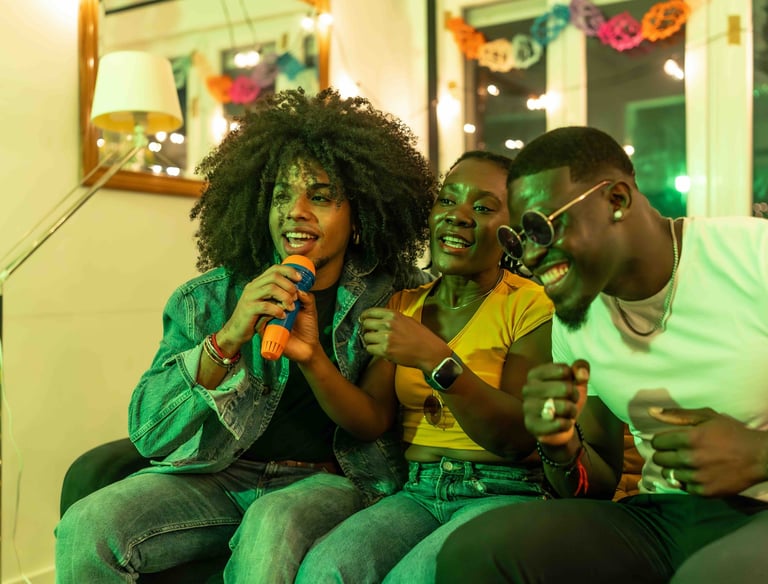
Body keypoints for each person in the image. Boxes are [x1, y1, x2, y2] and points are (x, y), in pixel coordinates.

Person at [54, 88, 438, 583]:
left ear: (359, 217)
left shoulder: (395, 294)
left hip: (328, 480)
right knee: (88, 527)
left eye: (319, 197)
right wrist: (228, 338)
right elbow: (149, 431)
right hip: (220, 472)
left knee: (271, 522)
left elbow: (378, 415)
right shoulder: (207, 299)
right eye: (281, 195)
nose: (295, 211)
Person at [435, 126, 768, 583]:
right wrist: (558, 443)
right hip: (662, 519)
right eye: (518, 239)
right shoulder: (576, 314)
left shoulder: (752, 254)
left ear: (616, 200)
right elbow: (598, 482)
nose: (530, 255)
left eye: (541, 227)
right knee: (477, 552)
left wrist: (759, 454)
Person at [288, 150, 554, 583]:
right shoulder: (404, 305)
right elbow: (371, 419)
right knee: (324, 570)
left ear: (513, 232)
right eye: (447, 201)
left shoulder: (532, 305)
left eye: (483, 208)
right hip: (419, 489)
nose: (458, 216)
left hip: (505, 491)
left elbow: (518, 439)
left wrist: (435, 358)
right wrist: (311, 357)